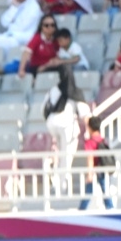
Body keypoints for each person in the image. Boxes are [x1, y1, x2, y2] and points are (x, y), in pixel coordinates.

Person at [43, 65, 91, 194]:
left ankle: (55, 179)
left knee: (58, 154)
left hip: (52, 123)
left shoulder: (53, 90)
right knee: (67, 155)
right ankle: (62, 185)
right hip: (66, 125)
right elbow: (85, 113)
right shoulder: (74, 91)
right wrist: (90, 131)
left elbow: (45, 108)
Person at [79, 116, 115, 210]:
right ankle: (110, 207)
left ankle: (82, 209)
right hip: (103, 167)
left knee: (91, 190)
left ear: (89, 127)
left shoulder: (90, 142)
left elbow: (90, 158)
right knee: (104, 189)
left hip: (97, 169)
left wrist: (89, 174)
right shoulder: (102, 139)